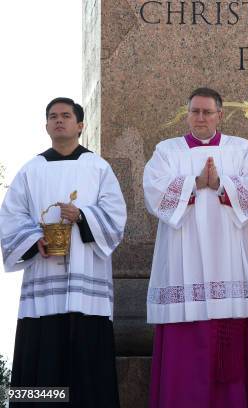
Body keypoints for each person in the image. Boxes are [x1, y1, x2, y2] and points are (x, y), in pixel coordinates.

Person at [144, 87, 248, 408]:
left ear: (220, 115)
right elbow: (154, 192)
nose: (200, 118)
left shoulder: (241, 149)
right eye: (194, 112)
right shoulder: (167, 151)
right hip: (181, 258)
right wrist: (196, 183)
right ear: (187, 114)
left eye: (207, 112)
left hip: (226, 258)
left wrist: (221, 184)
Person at [0, 97, 127, 407]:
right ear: (46, 126)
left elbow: (116, 216)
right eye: (53, 116)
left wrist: (83, 216)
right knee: (40, 357)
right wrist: (34, 240)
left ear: (80, 125)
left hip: (87, 287)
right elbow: (10, 217)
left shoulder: (98, 167)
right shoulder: (31, 169)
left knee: (86, 362)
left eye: (66, 116)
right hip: (44, 283)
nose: (59, 120)